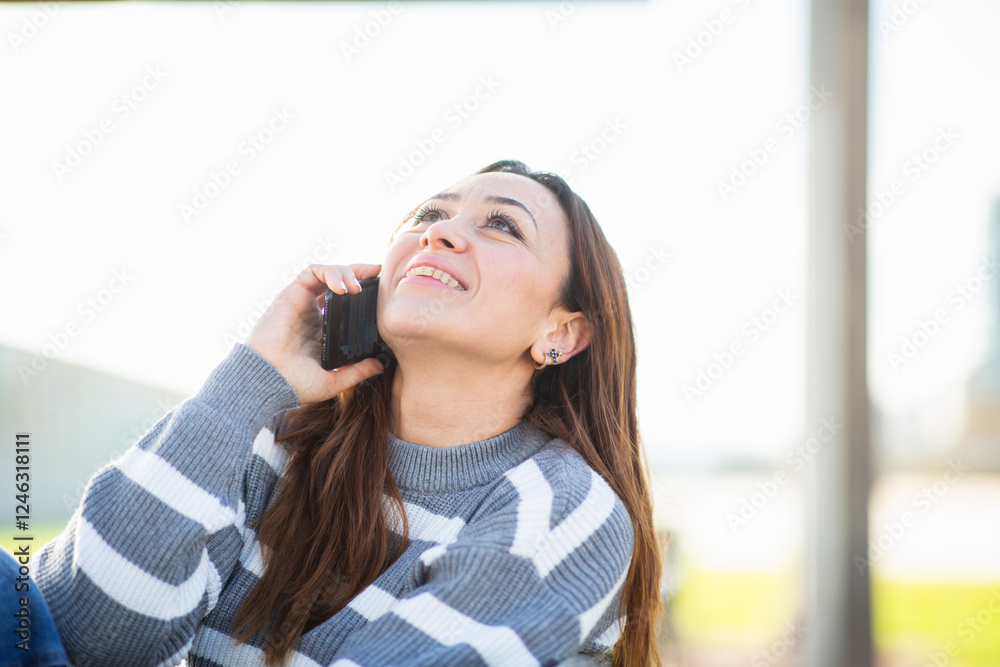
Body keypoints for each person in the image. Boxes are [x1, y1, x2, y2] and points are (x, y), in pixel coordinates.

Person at [30, 160, 664, 666]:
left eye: (502, 226)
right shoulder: (274, 441)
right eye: (428, 214)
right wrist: (250, 380)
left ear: (562, 332)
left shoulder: (564, 506)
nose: (436, 233)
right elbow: (85, 636)